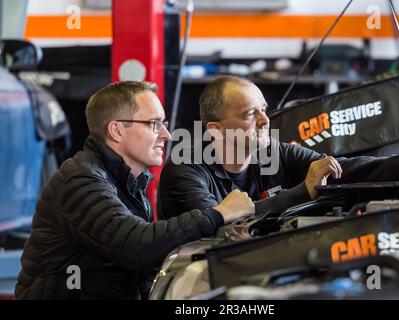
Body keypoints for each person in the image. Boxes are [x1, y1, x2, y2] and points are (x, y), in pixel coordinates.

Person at [15, 81, 254, 300]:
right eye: (154, 124)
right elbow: (137, 247)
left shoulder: (131, 181)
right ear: (116, 130)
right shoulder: (80, 179)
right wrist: (217, 214)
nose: (166, 135)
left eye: (164, 124)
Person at [158, 75, 399, 219]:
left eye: (264, 109)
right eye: (250, 114)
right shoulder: (186, 166)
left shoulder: (272, 151)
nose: (264, 120)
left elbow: (344, 170)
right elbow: (217, 224)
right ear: (215, 129)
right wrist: (301, 192)